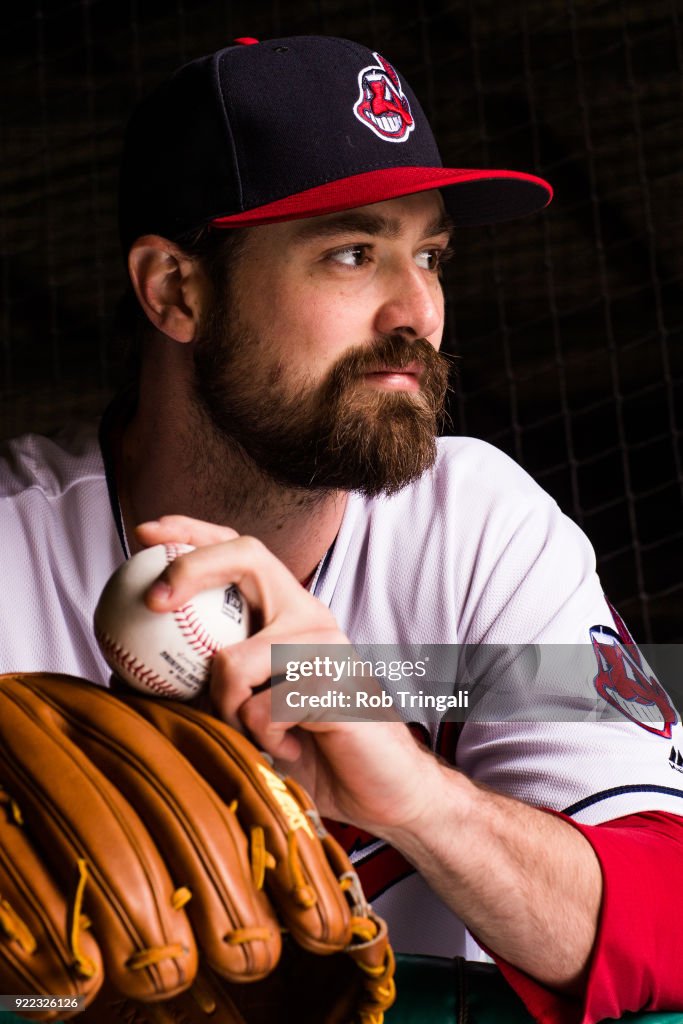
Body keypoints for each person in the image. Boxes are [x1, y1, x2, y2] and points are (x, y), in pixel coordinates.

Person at [1, 35, 682, 1024]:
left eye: (430, 255)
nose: (417, 311)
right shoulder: (15, 555)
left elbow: (665, 911)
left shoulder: (481, 530)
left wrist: (414, 794)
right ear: (174, 291)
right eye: (353, 253)